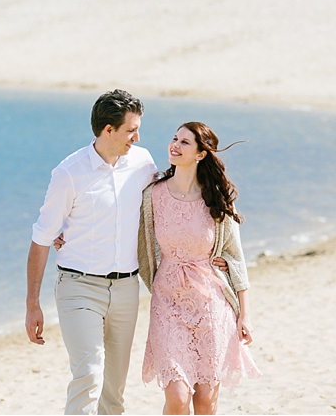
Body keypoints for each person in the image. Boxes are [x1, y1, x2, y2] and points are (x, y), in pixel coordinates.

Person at [25, 89, 157, 414]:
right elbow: (41, 238)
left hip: (127, 289)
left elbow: (166, 206)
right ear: (107, 130)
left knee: (114, 391)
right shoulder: (69, 173)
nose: (137, 137)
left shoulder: (143, 162)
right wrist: (32, 305)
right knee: (88, 374)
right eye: (130, 130)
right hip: (78, 287)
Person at [138, 122, 261, 415]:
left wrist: (245, 314)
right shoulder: (153, 194)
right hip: (167, 303)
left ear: (201, 155)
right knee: (178, 397)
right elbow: (128, 233)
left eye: (184, 143)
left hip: (211, 304)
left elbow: (236, 257)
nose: (174, 146)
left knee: (206, 400)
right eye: (174, 138)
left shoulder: (216, 200)